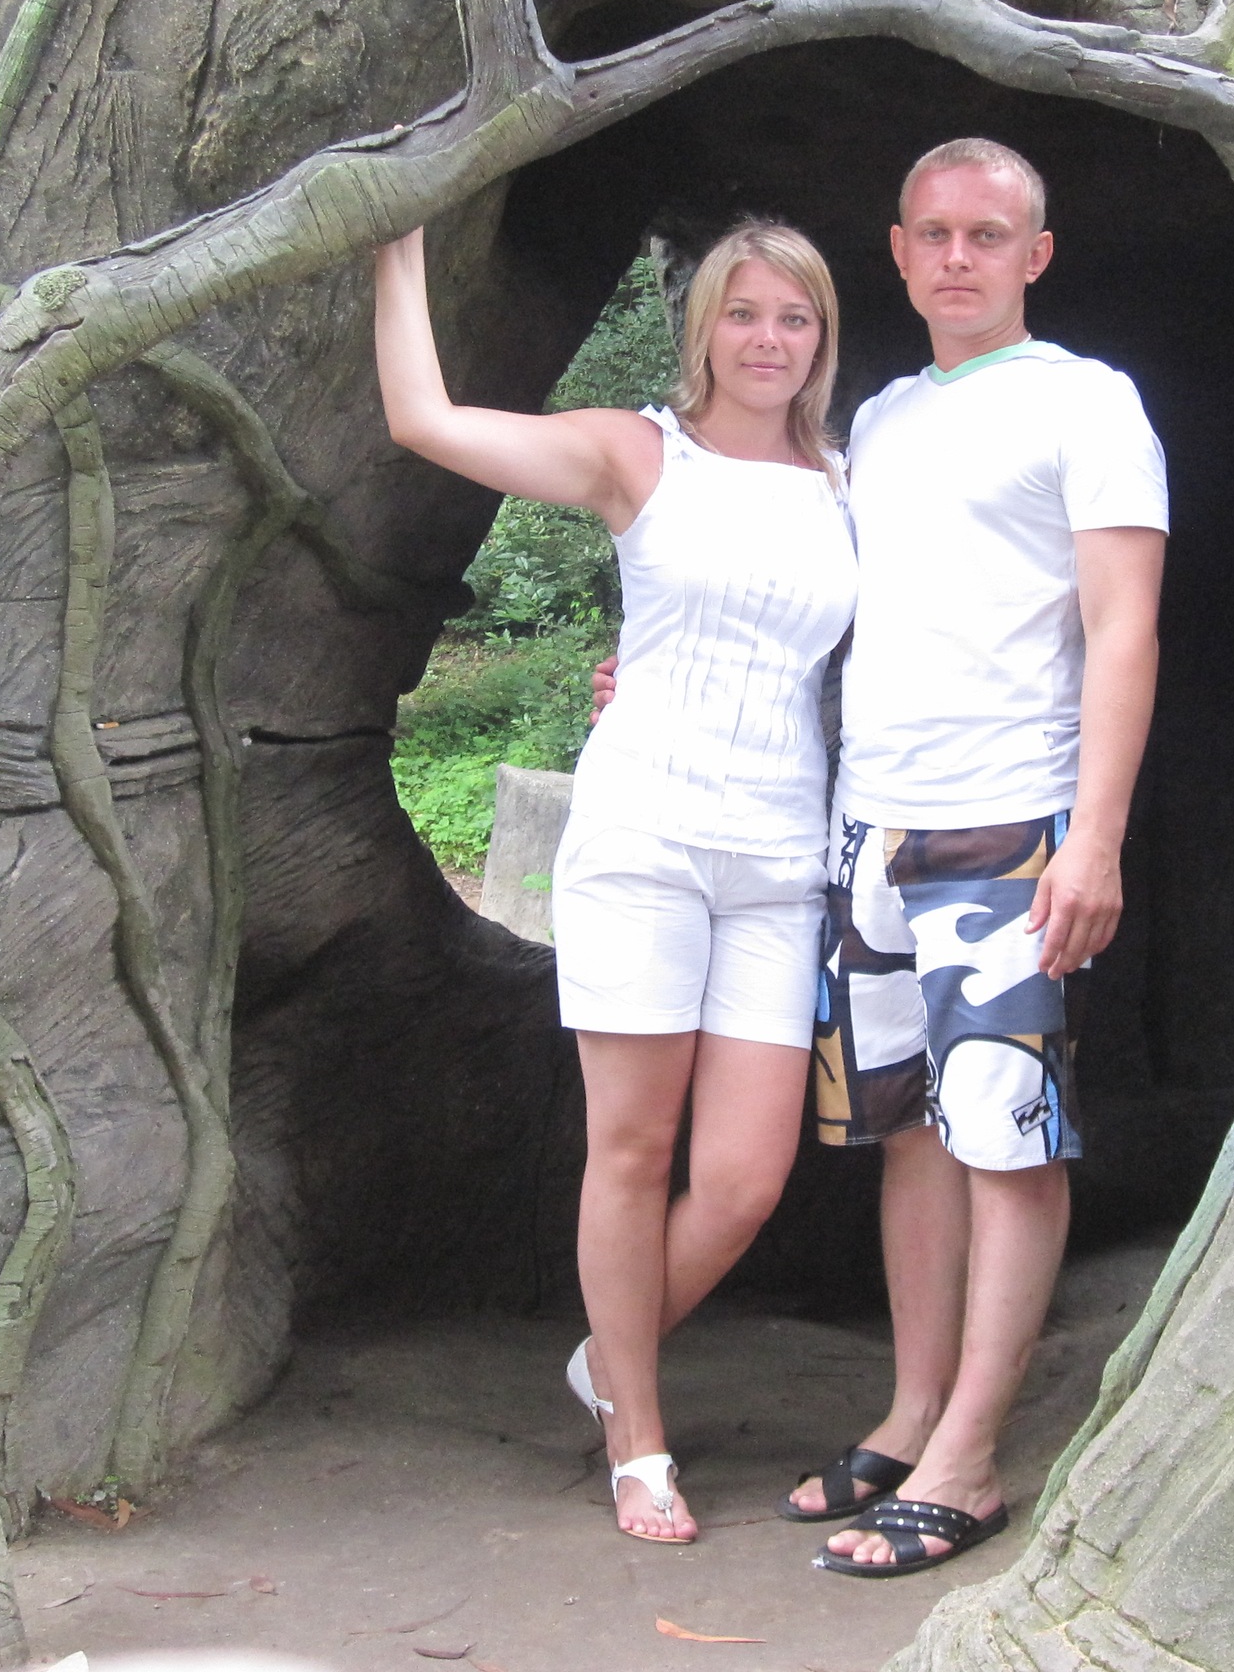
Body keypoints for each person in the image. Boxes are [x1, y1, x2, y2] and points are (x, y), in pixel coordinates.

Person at [602, 141, 1166, 1574]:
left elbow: (1124, 627)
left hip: (1009, 822)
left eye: (989, 234)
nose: (959, 257)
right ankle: (914, 1414)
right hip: (868, 827)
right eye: (934, 234)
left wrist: (1095, 837)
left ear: (1036, 254)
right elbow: (799, 599)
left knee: (1007, 1132)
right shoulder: (883, 423)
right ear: (901, 255)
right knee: (910, 1131)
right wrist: (647, 681)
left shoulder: (1089, 403)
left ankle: (970, 1460)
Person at [373, 220, 858, 1547]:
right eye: (744, 313)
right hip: (644, 837)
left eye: (795, 318)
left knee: (748, 1176)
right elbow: (424, 420)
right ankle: (638, 1442)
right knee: (634, 1151)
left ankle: (605, 1357)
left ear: (821, 337)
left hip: (780, 857)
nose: (768, 339)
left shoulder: (848, 482)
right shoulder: (636, 452)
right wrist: (397, 245)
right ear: (703, 326)